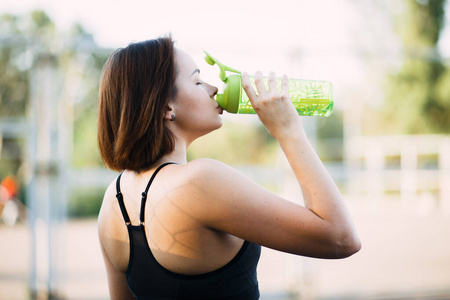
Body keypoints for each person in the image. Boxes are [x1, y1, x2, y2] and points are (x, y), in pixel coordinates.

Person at [97, 36, 361, 300]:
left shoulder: (114, 198)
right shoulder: (199, 182)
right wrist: (288, 130)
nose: (213, 88)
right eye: (197, 81)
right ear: (166, 106)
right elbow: (340, 238)